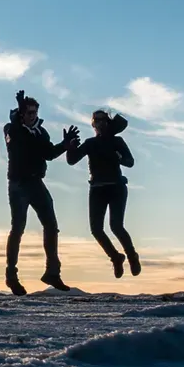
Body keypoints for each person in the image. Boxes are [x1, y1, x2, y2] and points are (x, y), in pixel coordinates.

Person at [3, 91, 80, 295]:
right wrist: (18, 112)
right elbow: (17, 139)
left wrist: (65, 144)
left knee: (51, 226)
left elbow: (49, 154)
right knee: (18, 228)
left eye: (34, 112)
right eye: (28, 112)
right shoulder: (11, 129)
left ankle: (52, 273)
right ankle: (11, 277)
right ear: (21, 113)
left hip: (36, 183)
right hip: (18, 184)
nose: (31, 115)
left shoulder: (41, 132)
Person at [66, 110, 141, 278]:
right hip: (97, 188)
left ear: (107, 123)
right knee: (96, 230)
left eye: (102, 120)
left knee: (116, 226)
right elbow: (72, 160)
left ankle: (132, 256)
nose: (99, 124)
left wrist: (119, 157)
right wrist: (69, 147)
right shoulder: (90, 143)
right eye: (96, 121)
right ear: (93, 125)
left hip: (116, 187)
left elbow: (130, 162)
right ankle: (116, 257)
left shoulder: (117, 141)